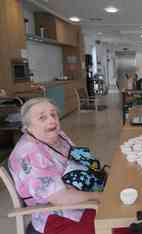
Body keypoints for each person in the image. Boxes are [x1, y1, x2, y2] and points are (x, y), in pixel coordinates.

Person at [8, 98, 101, 234]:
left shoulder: (57, 136)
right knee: (120, 223)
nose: (51, 120)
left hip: (82, 197)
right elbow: (60, 198)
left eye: (53, 114)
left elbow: (79, 160)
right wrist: (98, 196)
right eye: (42, 118)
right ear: (28, 127)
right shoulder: (29, 155)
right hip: (60, 216)